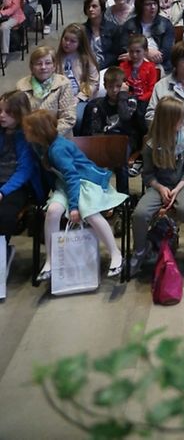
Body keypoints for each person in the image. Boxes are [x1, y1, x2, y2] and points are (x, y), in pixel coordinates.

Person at [23, 108, 126, 283]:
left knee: (90, 212)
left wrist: (74, 207)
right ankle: (51, 259)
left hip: (84, 182)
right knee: (53, 211)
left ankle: (116, 254)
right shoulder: (44, 146)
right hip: (64, 184)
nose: (26, 133)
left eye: (28, 130)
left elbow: (73, 177)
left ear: (38, 132)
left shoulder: (58, 149)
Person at [130, 97, 184, 273]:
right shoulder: (150, 143)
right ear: (168, 121)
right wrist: (160, 188)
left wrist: (177, 189)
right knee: (140, 213)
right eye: (180, 119)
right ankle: (140, 251)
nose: (183, 122)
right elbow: (147, 174)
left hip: (183, 184)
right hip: (159, 186)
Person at [79, 67, 142, 192]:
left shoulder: (131, 101)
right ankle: (98, 194)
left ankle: (123, 196)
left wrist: (123, 95)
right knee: (96, 158)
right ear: (105, 86)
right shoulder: (97, 104)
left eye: (118, 86)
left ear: (124, 85)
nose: (114, 90)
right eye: (111, 86)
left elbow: (125, 117)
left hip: (126, 139)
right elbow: (94, 131)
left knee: (120, 158)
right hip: (105, 139)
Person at [0, 91, 43, 267]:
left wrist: (2, 192)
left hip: (18, 186)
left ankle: (3, 252)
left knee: (4, 215)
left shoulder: (27, 137)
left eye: (7, 112)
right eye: (0, 110)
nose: (1, 115)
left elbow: (24, 172)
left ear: (19, 114)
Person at [16, 45, 77, 136]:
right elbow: (20, 118)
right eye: (38, 63)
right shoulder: (21, 86)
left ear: (54, 66)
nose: (43, 67)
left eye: (48, 63)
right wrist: (33, 135)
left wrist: (48, 135)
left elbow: (69, 118)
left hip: (58, 137)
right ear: (32, 67)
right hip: (31, 137)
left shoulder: (63, 83)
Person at [54, 24, 100, 130]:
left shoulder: (87, 59)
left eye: (72, 41)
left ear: (80, 43)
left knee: (77, 118)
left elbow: (93, 83)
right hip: (61, 96)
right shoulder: (56, 58)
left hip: (80, 97)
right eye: (65, 39)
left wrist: (79, 98)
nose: (67, 43)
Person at [119, 0, 175, 71]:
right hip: (133, 64)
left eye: (155, 4)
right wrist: (147, 53)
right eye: (148, 4)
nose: (152, 7)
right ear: (140, 6)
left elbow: (167, 52)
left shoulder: (166, 24)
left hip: (159, 65)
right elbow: (123, 48)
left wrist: (138, 54)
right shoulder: (129, 24)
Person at [82, 0, 120, 70]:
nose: (90, 9)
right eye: (88, 7)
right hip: (86, 67)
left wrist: (100, 66)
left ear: (102, 8)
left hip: (107, 67)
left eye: (94, 6)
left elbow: (115, 53)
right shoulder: (81, 29)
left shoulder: (113, 28)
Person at [0, 0, 25, 66]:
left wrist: (1, 13)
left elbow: (14, 8)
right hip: (2, 16)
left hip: (15, 16)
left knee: (4, 27)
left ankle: (4, 55)